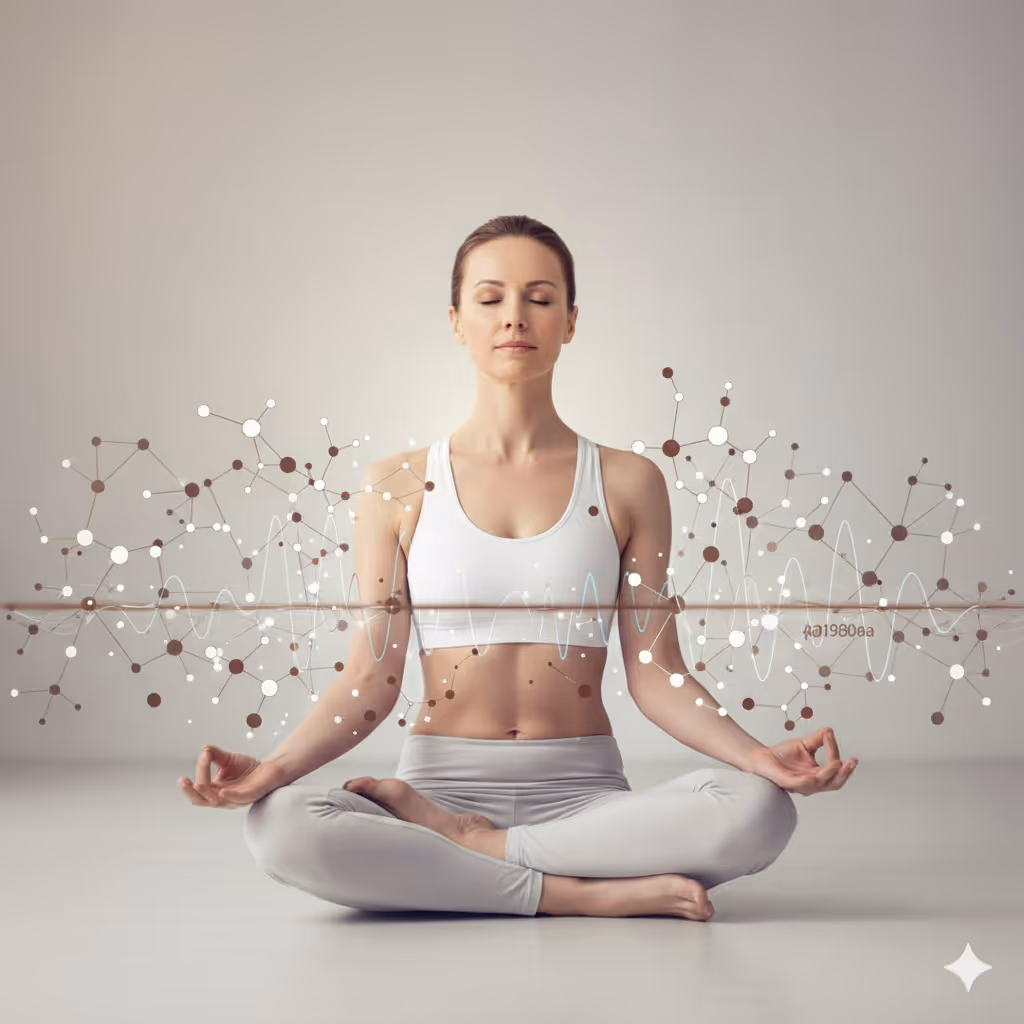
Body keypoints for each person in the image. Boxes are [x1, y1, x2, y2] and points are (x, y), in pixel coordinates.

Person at [179, 214, 858, 921]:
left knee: (759, 810)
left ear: (570, 321)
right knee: (280, 826)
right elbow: (370, 677)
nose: (514, 317)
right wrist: (273, 770)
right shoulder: (396, 486)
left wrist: (756, 758)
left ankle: (475, 852)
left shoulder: (629, 482)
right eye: (490, 298)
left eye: (539, 298)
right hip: (435, 786)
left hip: (583, 795)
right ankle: (573, 893)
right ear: (456, 320)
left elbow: (656, 673)